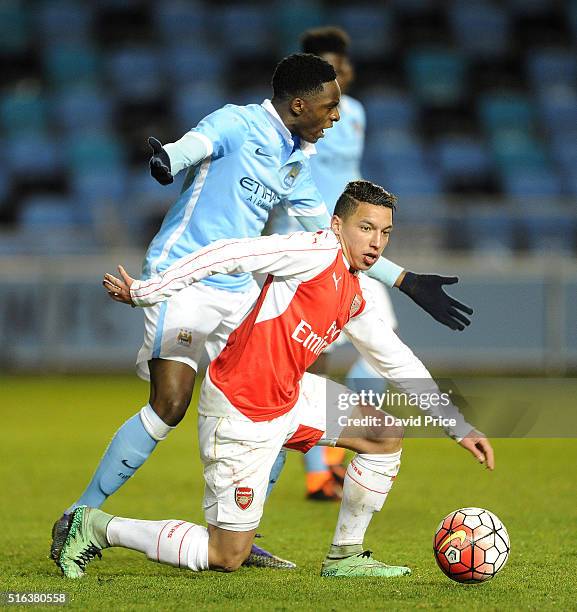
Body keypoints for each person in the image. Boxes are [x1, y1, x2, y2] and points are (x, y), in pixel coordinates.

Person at [50, 53, 473, 569]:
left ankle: (244, 533)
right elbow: (191, 148)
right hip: (182, 275)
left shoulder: (295, 161)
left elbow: (335, 234)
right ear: (300, 104)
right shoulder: (237, 121)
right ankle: (81, 514)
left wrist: (402, 279)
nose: (335, 117)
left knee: (284, 375)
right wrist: (168, 160)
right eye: (329, 107)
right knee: (171, 401)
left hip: (236, 289)